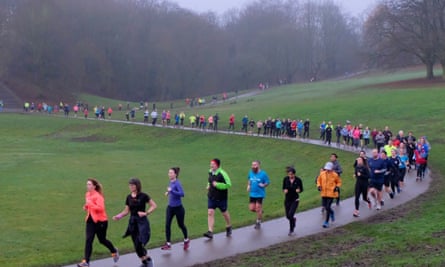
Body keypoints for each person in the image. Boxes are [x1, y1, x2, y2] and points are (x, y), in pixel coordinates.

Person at [113, 178, 157, 267]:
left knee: (141, 241)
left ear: (137, 186)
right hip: (133, 222)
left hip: (142, 222)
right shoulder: (128, 197)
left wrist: (146, 213)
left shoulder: (143, 196)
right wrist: (119, 216)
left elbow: (154, 205)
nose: (131, 187)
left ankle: (147, 261)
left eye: (132, 185)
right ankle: (146, 260)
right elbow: (126, 211)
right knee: (136, 244)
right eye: (129, 185)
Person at [77, 178, 119, 267]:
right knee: (89, 240)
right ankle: (86, 262)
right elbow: (89, 205)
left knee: (102, 240)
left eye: (89, 184)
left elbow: (101, 208)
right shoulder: (87, 194)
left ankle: (114, 250)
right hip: (90, 221)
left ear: (94, 186)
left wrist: (90, 204)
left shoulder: (98, 196)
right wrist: (86, 206)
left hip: (101, 222)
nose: (87, 186)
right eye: (87, 184)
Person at [161, 167, 190, 251]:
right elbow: (172, 190)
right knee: (167, 225)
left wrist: (171, 191)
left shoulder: (178, 183)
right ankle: (168, 244)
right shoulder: (171, 182)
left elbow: (182, 194)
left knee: (180, 225)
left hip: (178, 208)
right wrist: (168, 192)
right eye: (168, 172)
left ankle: (186, 240)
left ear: (175, 174)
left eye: (171, 173)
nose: (169, 174)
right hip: (170, 207)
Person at [204, 158, 232, 239]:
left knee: (224, 213)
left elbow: (229, 184)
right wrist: (208, 185)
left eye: (213, 164)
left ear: (217, 165)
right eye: (211, 164)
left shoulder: (222, 173)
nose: (211, 165)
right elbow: (210, 180)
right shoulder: (210, 172)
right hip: (211, 196)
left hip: (221, 198)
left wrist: (218, 185)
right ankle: (210, 232)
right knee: (210, 212)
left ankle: (229, 225)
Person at [316, 162, 342, 228]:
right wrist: (319, 186)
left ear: (332, 169)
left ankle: (326, 222)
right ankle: (332, 212)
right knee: (325, 206)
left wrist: (337, 187)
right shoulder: (322, 174)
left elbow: (339, 182)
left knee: (327, 207)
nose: (327, 170)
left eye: (329, 169)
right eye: (326, 169)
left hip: (331, 193)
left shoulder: (335, 175)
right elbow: (318, 180)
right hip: (324, 193)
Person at [246, 160, 270, 229]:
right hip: (252, 194)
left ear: (258, 165)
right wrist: (248, 186)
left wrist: (263, 185)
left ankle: (258, 222)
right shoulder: (251, 173)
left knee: (258, 207)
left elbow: (267, 182)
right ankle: (260, 212)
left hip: (260, 194)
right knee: (251, 208)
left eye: (255, 165)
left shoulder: (263, 174)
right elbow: (249, 180)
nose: (253, 166)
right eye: (252, 165)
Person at [282, 167, 304, 236]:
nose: (290, 176)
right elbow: (283, 188)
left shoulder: (298, 180)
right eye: (289, 174)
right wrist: (284, 190)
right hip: (287, 200)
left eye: (291, 174)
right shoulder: (285, 179)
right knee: (288, 216)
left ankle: (291, 230)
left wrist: (299, 190)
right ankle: (293, 220)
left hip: (295, 199)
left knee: (291, 214)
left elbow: (301, 189)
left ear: (294, 174)